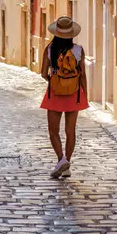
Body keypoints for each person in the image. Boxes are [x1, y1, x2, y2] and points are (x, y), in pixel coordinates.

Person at [40, 16, 89, 178]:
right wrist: (85, 94)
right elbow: (82, 76)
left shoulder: (49, 49)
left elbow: (43, 73)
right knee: (70, 131)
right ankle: (66, 163)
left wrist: (54, 81)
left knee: (53, 130)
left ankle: (61, 159)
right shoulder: (78, 50)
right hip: (74, 94)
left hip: (55, 93)